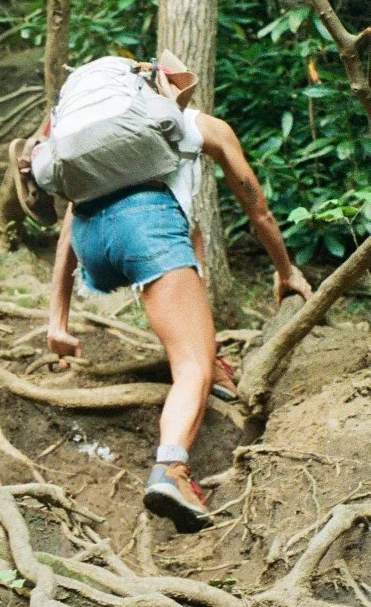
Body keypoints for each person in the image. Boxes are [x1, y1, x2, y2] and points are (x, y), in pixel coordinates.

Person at [27, 53, 312, 532]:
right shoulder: (200, 127)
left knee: (191, 269)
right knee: (191, 367)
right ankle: (172, 469)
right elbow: (256, 210)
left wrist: (58, 319)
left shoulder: (103, 150)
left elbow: (70, 226)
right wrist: (286, 271)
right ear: (168, 85)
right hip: (146, 230)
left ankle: (211, 363)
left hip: (95, 243)